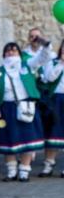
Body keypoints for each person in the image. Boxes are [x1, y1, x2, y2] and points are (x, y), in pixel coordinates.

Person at [0, 42, 45, 181]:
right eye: (8, 51)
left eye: (14, 51)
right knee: (8, 139)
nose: (11, 53)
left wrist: (46, 45)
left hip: (26, 107)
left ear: (20, 54)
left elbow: (42, 57)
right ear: (3, 55)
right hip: (6, 108)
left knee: (28, 139)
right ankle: (11, 171)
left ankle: (24, 171)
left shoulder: (27, 66)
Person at [38, 41, 64, 177]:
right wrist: (61, 64)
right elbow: (49, 78)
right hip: (55, 101)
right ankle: (48, 165)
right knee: (52, 133)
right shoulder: (53, 62)